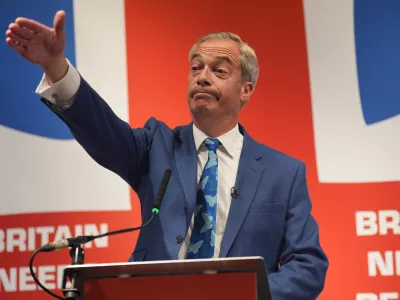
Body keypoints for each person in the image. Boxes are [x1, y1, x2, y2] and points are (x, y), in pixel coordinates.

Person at [5, 10, 328, 299]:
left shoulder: (283, 173)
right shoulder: (154, 146)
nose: (202, 76)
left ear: (246, 89)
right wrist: (56, 67)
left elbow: (308, 265)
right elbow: (99, 129)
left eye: (219, 70)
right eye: (196, 67)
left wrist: (243, 293)